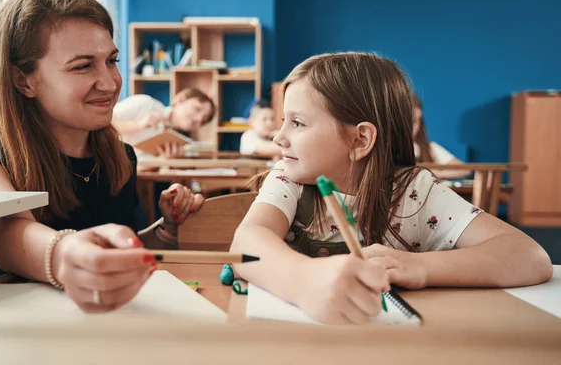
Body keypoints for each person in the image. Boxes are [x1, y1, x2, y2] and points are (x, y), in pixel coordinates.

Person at [230, 52, 552, 325]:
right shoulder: (289, 179)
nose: (278, 136)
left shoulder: (416, 192)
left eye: (297, 123)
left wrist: (420, 267)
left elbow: (530, 257)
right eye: (283, 120)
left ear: (360, 140)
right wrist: (301, 281)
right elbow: (246, 243)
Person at [0, 0, 203, 313]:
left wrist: (164, 230)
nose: (109, 82)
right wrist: (62, 254)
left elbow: (108, 258)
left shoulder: (120, 158)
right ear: (23, 81)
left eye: (112, 61)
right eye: (83, 66)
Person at [113, 89, 216, 159]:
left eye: (203, 120)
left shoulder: (178, 146)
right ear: (181, 99)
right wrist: (139, 124)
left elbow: (137, 169)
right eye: (197, 109)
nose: (198, 119)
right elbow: (105, 123)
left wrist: (163, 161)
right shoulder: (146, 103)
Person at [412, 95, 470, 179]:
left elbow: (465, 169)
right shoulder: (389, 151)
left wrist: (436, 174)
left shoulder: (429, 148)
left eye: (415, 121)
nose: (410, 126)